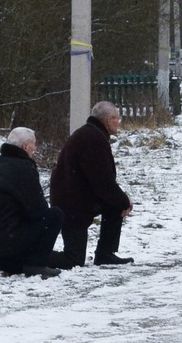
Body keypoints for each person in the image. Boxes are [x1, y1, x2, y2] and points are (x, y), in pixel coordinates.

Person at [51, 101, 135, 266]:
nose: (118, 122)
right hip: (72, 207)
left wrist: (120, 201)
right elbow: (102, 181)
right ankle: (29, 256)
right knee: (73, 260)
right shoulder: (93, 139)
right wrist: (124, 201)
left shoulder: (90, 134)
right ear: (108, 119)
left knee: (115, 204)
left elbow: (101, 182)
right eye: (117, 118)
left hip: (74, 200)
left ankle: (105, 253)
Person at [0, 127, 64, 276]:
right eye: (34, 144)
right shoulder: (23, 167)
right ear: (25, 146)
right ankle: (36, 264)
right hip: (7, 240)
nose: (35, 148)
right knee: (54, 215)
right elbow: (38, 210)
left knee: (14, 226)